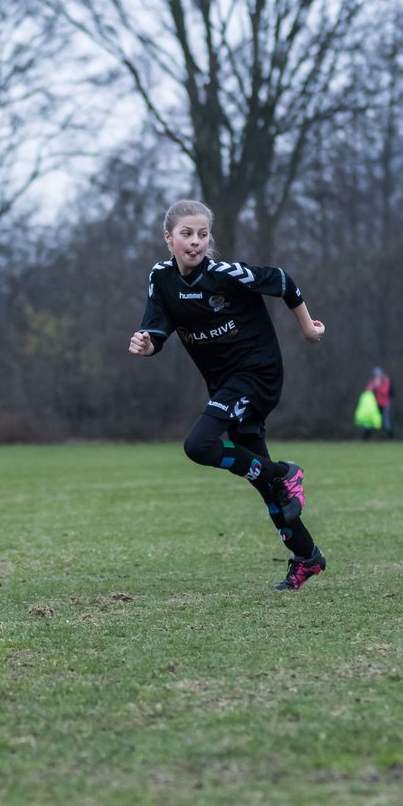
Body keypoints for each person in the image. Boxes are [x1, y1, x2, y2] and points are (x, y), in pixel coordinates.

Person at [128, 200, 328, 591]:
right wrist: (146, 344)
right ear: (168, 238)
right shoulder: (161, 277)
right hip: (224, 385)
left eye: (203, 234)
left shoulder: (226, 275)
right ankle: (307, 557)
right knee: (265, 484)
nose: (196, 242)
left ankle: (286, 472)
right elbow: (157, 326)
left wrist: (308, 330)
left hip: (257, 375)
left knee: (199, 445)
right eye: (187, 234)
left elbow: (285, 283)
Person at [363, 366, 393, 439]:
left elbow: (384, 391)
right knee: (371, 422)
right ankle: (365, 439)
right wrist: (374, 386)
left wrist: (377, 387)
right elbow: (367, 389)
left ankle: (391, 438)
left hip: (385, 404)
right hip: (375, 405)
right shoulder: (373, 381)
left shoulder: (386, 381)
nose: (377, 376)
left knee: (386, 422)